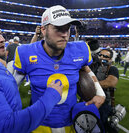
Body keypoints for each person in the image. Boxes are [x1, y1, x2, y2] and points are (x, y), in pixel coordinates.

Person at [13, 5, 105, 133]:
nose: (65, 34)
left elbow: (86, 69)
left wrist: (101, 94)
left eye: (67, 29)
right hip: (39, 124)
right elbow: (13, 86)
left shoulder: (80, 50)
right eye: (58, 29)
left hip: (72, 123)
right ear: (44, 30)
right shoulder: (26, 53)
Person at [95, 49, 119, 132]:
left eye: (105, 56)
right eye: (100, 55)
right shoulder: (94, 66)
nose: (102, 57)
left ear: (110, 59)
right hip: (90, 100)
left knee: (100, 126)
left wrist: (91, 84)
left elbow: (110, 82)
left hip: (104, 104)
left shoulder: (112, 68)